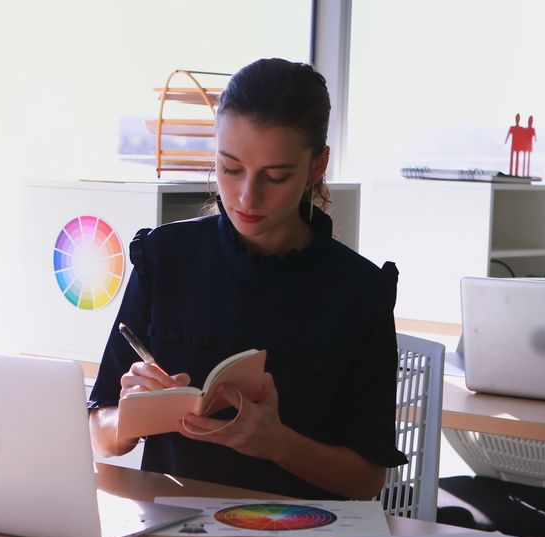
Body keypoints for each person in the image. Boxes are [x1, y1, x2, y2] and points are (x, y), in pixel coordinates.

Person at [87, 58, 406, 501]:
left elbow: (367, 480)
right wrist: (130, 416)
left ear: (317, 167)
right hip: (176, 536)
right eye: (230, 168)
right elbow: (99, 432)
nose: (245, 197)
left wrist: (279, 445)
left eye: (276, 177)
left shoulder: (358, 291)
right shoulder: (165, 259)